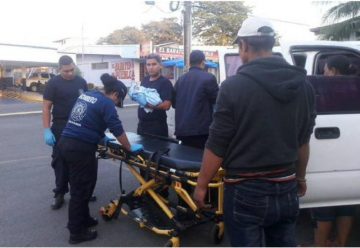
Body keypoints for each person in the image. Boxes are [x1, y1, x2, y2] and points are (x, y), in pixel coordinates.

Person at [193, 17, 316, 247]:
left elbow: (217, 142)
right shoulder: (303, 85)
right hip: (287, 185)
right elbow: (303, 141)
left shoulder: (233, 86)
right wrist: (300, 177)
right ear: (271, 44)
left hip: (245, 191)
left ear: (244, 45)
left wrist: (201, 185)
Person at [57, 73, 143, 244]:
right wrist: (129, 148)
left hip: (66, 143)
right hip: (80, 149)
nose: (117, 105)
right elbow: (117, 129)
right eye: (119, 102)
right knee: (81, 190)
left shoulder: (88, 95)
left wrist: (99, 136)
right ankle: (76, 232)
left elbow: (84, 120)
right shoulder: (107, 103)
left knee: (82, 186)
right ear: (116, 95)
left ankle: (84, 218)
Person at [312, 55, 356, 247]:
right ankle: (341, 243)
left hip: (326, 149)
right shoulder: (356, 88)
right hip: (352, 153)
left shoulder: (324, 90)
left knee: (323, 205)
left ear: (334, 71)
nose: (324, 74)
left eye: (326, 70)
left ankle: (320, 245)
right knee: (347, 204)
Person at [42, 55, 89, 210]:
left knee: (81, 161)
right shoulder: (53, 83)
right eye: (66, 71)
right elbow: (46, 107)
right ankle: (60, 193)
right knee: (60, 162)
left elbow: (88, 103)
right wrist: (47, 129)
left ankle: (82, 192)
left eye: (71, 69)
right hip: (61, 127)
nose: (69, 73)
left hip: (80, 127)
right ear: (59, 69)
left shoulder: (81, 82)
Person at [173, 50, 219, 149]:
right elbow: (217, 101)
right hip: (201, 131)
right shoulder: (209, 78)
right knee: (198, 161)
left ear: (190, 63)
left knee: (184, 159)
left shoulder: (180, 80)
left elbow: (174, 103)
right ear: (203, 62)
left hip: (182, 130)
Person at [137, 53, 173, 138]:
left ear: (160, 66)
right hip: (142, 125)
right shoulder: (144, 80)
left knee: (157, 151)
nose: (151, 67)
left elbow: (166, 106)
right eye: (148, 64)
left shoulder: (165, 83)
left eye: (154, 64)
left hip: (157, 127)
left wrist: (146, 104)